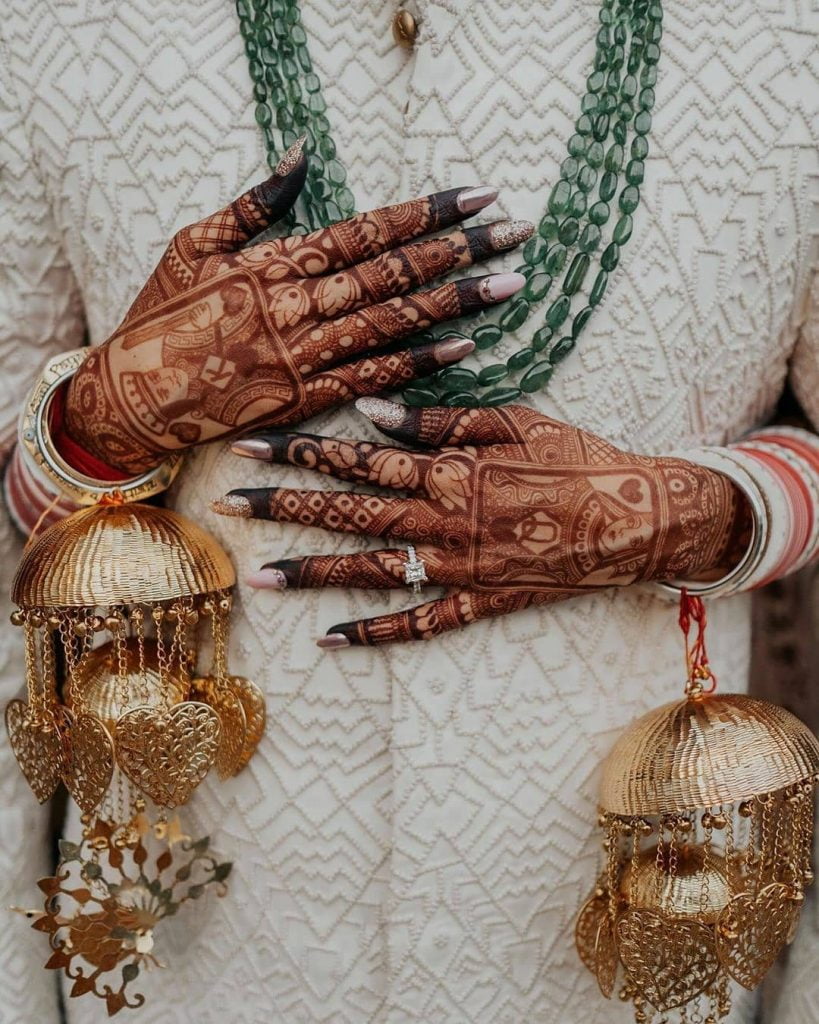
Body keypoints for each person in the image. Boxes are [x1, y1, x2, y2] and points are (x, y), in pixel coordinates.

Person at [1, 1, 818, 1021]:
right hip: (186, 945)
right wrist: (99, 420)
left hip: (622, 940)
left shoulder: (787, 37)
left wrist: (695, 515)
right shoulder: (58, 28)